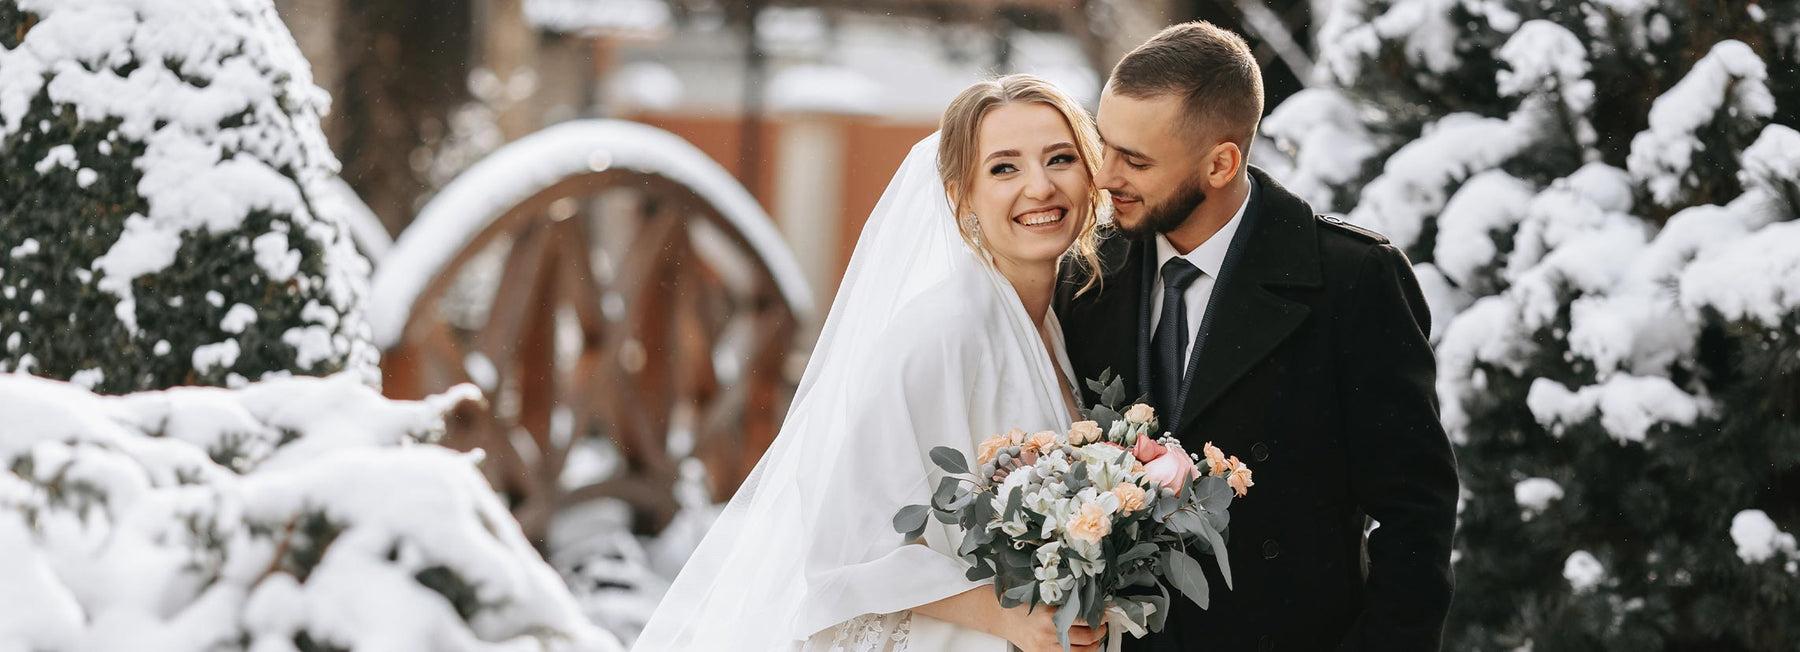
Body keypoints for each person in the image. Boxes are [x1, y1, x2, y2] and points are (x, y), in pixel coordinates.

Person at [634, 74, 1110, 652]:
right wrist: (1007, 615)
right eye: (1004, 168)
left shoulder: (1056, 324)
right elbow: (845, 550)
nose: (1040, 186)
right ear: (960, 196)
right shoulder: (942, 330)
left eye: (1060, 159)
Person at [1054, 21, 1460, 652]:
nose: (1105, 177)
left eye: (1136, 160)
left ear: (1222, 162)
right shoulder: (1086, 274)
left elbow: (1416, 515)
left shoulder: (1351, 280)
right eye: (1105, 147)